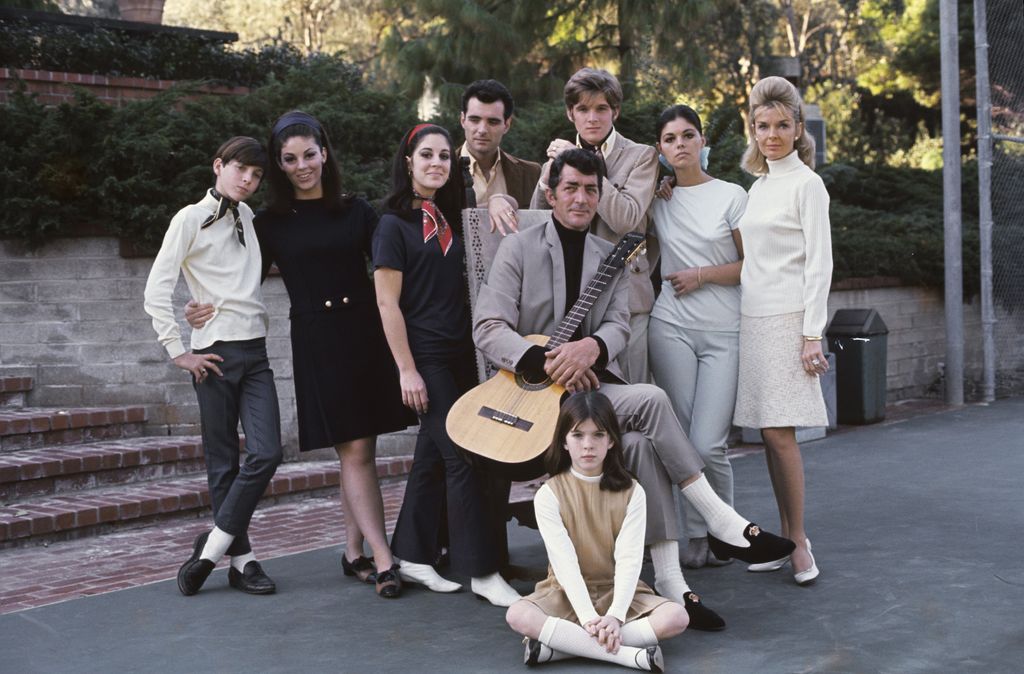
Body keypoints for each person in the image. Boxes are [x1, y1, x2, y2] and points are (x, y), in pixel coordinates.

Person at [474, 148, 794, 628]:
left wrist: (594, 350)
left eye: (590, 190)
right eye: (571, 188)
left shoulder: (610, 256)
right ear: (550, 192)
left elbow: (620, 325)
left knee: (642, 442)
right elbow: (488, 326)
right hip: (532, 403)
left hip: (589, 391)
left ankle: (671, 582)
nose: (581, 198)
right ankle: (720, 520)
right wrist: (548, 360)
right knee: (653, 397)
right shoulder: (518, 247)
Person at [188, 111, 415, 598]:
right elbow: (231, 271)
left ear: (324, 153)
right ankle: (383, 557)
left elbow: (395, 260)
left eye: (309, 155)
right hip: (317, 341)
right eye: (288, 159)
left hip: (364, 335)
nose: (301, 166)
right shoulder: (268, 223)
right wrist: (196, 303)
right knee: (353, 450)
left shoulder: (357, 210)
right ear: (279, 165)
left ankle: (352, 552)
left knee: (361, 451)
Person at [373, 123, 521, 607]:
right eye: (425, 155)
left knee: (432, 457)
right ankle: (480, 570)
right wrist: (406, 370)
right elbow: (387, 305)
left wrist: (496, 201)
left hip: (465, 356)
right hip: (426, 358)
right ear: (408, 162)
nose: (435, 162)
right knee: (461, 455)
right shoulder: (392, 226)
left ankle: (412, 554)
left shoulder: (456, 219)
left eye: (442, 155)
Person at [144, 136, 282, 596]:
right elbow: (156, 287)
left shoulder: (250, 219)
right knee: (222, 462)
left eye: (257, 175)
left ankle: (211, 548)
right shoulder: (189, 218)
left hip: (256, 353)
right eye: (241, 169)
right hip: (215, 354)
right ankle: (243, 560)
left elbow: (238, 285)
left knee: (268, 452)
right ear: (218, 165)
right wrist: (177, 350)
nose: (248, 179)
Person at [505, 392, 688, 671]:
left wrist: (614, 616)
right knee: (518, 615)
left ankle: (559, 650)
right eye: (578, 435)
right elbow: (564, 564)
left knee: (676, 617)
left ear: (612, 440)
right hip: (566, 590)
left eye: (598, 435)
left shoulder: (632, 491)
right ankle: (632, 656)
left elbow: (629, 560)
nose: (588, 445)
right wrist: (590, 618)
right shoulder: (549, 494)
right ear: (564, 441)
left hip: (618, 590)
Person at [733, 76, 833, 586]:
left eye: (782, 125)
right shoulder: (759, 186)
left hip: (790, 321)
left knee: (780, 433)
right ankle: (787, 535)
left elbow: (820, 263)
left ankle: (799, 542)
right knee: (769, 437)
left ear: (798, 130)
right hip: (752, 319)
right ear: (754, 130)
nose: (772, 135)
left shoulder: (807, 184)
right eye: (762, 126)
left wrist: (812, 332)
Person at [647, 105, 747, 569]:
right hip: (670, 328)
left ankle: (724, 531)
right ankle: (692, 536)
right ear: (662, 151)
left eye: (689, 135)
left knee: (709, 443)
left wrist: (704, 275)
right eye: (670, 139)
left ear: (702, 141)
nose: (680, 144)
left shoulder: (732, 195)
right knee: (681, 443)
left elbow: (753, 266)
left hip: (725, 331)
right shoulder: (657, 198)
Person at [529, 67, 659, 384]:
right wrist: (550, 174)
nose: (592, 118)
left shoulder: (641, 156)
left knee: (630, 400)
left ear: (614, 111)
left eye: (601, 108)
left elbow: (626, 218)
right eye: (583, 109)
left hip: (627, 298)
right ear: (570, 113)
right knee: (575, 406)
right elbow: (536, 221)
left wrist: (581, 167)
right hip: (568, 298)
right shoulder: (558, 158)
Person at [458, 79, 542, 236]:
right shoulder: (442, 171)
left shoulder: (531, 173)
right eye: (475, 120)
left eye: (493, 122)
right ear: (463, 120)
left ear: (507, 125)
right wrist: (490, 204)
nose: (482, 130)